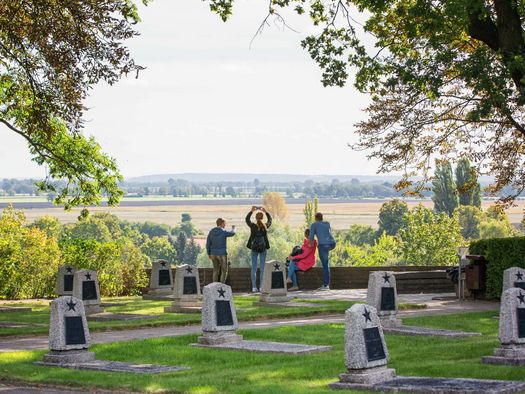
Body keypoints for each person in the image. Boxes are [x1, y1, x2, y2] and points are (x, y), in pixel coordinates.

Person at [246, 206, 272, 293]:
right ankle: (261, 287)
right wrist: (266, 211)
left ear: (256, 218)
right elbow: (270, 220)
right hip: (263, 248)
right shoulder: (265, 226)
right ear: (262, 218)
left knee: (254, 268)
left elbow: (247, 220)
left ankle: (254, 287)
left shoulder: (253, 226)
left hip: (254, 248)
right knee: (262, 268)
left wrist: (251, 211)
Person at [309, 212, 336, 290]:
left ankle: (326, 285)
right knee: (326, 263)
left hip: (323, 245)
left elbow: (311, 237)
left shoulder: (314, 224)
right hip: (332, 243)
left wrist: (310, 245)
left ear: (315, 218)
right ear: (322, 218)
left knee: (325, 265)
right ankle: (326, 284)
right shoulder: (327, 223)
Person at [206, 217, 236, 283]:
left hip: (213, 254)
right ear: (222, 223)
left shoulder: (211, 232)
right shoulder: (223, 231)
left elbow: (208, 243)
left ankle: (214, 286)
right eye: (224, 223)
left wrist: (209, 253)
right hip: (222, 254)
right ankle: (222, 287)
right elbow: (232, 233)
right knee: (224, 270)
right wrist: (234, 228)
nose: (225, 225)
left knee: (215, 270)